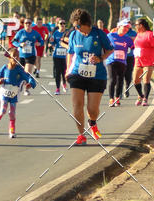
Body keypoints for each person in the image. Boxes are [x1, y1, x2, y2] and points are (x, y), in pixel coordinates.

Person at [67, 8, 113, 145]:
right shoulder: (74, 35)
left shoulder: (98, 34)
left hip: (97, 75)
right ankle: (81, 135)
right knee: (77, 105)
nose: (76, 28)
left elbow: (110, 49)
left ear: (86, 23)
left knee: (92, 109)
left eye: (78, 26)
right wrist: (67, 70)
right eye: (75, 26)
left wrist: (101, 58)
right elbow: (70, 53)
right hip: (77, 73)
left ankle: (92, 122)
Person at [0, 48, 36, 138]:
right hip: (5, 92)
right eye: (14, 56)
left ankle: (12, 130)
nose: (16, 58)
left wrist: (31, 83)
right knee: (3, 110)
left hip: (14, 94)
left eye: (18, 56)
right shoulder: (4, 68)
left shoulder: (20, 69)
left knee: (12, 113)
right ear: (9, 57)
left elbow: (28, 77)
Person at [133, 17, 154, 106]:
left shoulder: (151, 34)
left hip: (149, 61)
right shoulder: (138, 34)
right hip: (138, 60)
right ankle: (140, 95)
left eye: (136, 25)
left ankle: (145, 99)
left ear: (141, 25)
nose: (135, 26)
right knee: (135, 80)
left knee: (146, 79)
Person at [106, 20, 134, 106]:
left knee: (120, 81)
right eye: (124, 27)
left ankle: (117, 98)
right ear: (119, 27)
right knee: (112, 80)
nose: (126, 29)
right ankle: (111, 99)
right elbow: (103, 43)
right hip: (111, 61)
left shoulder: (128, 39)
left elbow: (134, 47)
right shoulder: (110, 35)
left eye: (127, 28)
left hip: (122, 62)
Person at [12, 17, 44, 92]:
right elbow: (14, 41)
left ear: (32, 24)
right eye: (26, 23)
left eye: (29, 23)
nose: (27, 24)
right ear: (24, 24)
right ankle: (20, 86)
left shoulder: (35, 33)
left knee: (27, 72)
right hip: (21, 55)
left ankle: (26, 89)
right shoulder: (20, 32)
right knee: (20, 73)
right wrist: (20, 44)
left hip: (31, 55)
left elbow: (42, 41)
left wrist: (39, 43)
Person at [50, 18, 70, 94]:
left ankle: (64, 83)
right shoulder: (55, 33)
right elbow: (52, 43)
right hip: (57, 55)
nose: (62, 25)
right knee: (57, 72)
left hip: (66, 56)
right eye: (61, 23)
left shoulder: (68, 33)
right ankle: (57, 88)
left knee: (64, 72)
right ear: (58, 25)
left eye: (64, 23)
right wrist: (52, 44)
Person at [124, 21, 137, 97]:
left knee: (128, 74)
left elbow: (137, 40)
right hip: (121, 57)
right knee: (120, 74)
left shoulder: (134, 33)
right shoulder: (121, 31)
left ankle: (127, 88)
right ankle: (118, 91)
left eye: (129, 24)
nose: (128, 26)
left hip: (130, 56)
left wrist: (131, 38)